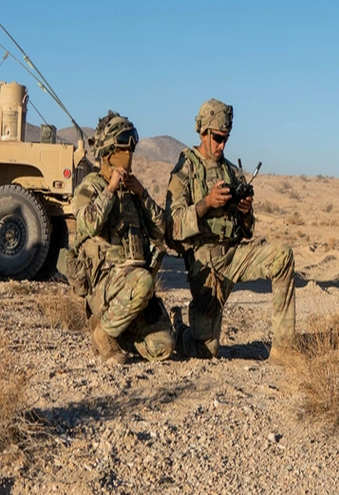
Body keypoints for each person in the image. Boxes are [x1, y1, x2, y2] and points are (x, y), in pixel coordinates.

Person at [165, 98, 297, 361]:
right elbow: (172, 228)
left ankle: (285, 350)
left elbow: (247, 231)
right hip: (206, 265)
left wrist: (245, 212)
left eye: (225, 138)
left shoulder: (231, 171)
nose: (222, 145)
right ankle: (178, 327)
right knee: (206, 351)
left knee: (282, 256)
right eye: (217, 138)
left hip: (234, 255)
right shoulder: (186, 169)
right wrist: (206, 203)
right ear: (203, 133)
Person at [73, 112, 175, 365]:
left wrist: (143, 195)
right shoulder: (91, 186)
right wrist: (109, 191)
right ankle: (104, 333)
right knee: (143, 281)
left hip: (134, 289)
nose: (128, 155)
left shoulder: (132, 191)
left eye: (131, 149)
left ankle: (118, 333)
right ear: (108, 152)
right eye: (122, 149)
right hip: (107, 285)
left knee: (164, 347)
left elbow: (160, 230)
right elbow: (86, 224)